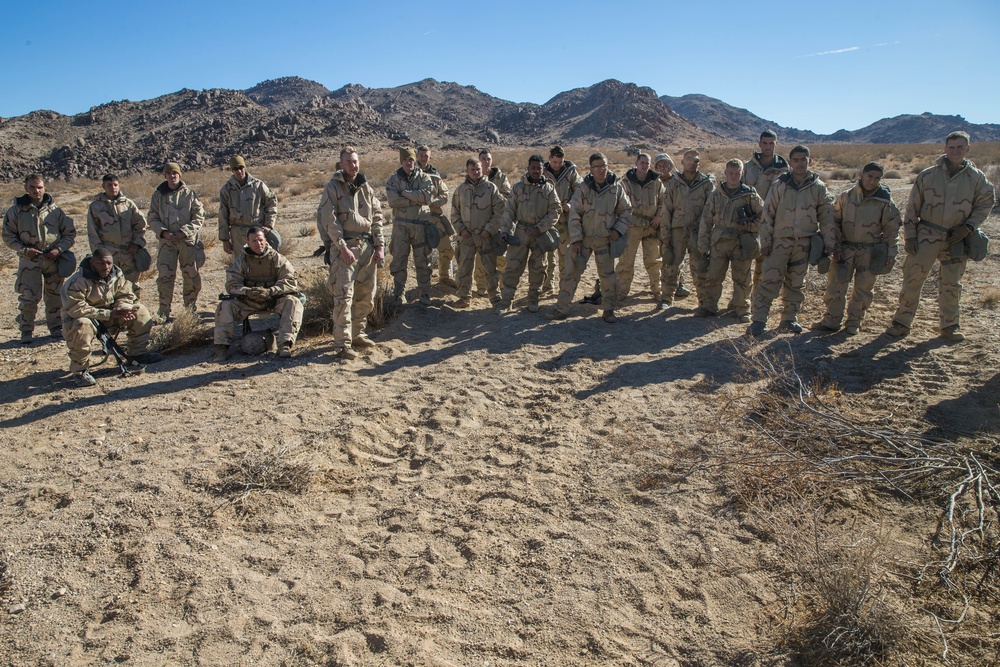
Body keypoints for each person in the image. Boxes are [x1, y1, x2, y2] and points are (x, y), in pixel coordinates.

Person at [886, 131, 996, 341]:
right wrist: (910, 235)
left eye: (960, 147)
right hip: (926, 235)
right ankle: (901, 323)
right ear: (944, 149)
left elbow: (986, 202)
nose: (955, 151)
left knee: (951, 284)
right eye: (951, 147)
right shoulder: (927, 175)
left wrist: (969, 227)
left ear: (968, 149)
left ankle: (950, 326)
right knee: (913, 280)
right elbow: (912, 208)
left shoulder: (976, 178)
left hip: (957, 238)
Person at [748, 145, 835, 336]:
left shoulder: (818, 187)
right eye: (795, 160)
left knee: (796, 283)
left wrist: (829, 243)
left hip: (804, 244)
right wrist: (766, 241)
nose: (799, 163)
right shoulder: (780, 184)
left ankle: (789, 319)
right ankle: (759, 321)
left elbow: (827, 216)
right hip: (779, 242)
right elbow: (767, 213)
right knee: (769, 281)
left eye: (803, 159)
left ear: (809, 161)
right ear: (790, 162)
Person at [812, 162, 902, 335]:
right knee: (836, 284)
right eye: (869, 176)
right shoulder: (846, 197)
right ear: (861, 174)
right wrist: (835, 245)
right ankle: (831, 319)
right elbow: (834, 220)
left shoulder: (885, 201)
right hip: (845, 249)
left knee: (863, 287)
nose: (872, 181)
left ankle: (854, 321)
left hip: (870, 251)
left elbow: (892, 229)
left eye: (877, 178)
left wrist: (891, 252)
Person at [317, 146, 386, 359]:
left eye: (355, 161)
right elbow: (329, 220)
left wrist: (380, 245)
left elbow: (377, 217)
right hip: (346, 248)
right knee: (344, 297)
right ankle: (342, 344)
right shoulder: (333, 188)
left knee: (366, 295)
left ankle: (358, 333)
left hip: (367, 248)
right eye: (348, 162)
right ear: (341, 164)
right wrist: (341, 247)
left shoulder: (366, 188)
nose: (353, 165)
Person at [61, 248, 162, 387]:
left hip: (110, 316)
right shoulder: (76, 282)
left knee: (140, 311)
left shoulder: (116, 274)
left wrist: (122, 307)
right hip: (84, 319)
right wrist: (109, 314)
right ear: (92, 263)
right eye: (101, 263)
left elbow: (125, 294)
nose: (106, 267)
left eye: (108, 263)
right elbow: (76, 309)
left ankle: (137, 353)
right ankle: (80, 371)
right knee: (82, 324)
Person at [551, 152, 630, 322]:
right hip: (583, 239)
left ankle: (609, 309)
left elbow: (626, 211)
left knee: (608, 276)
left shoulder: (616, 188)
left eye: (604, 166)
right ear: (591, 169)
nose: (601, 170)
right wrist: (577, 239)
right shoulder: (583, 188)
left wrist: (619, 230)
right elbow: (574, 214)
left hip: (605, 239)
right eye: (597, 167)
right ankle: (562, 308)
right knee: (571, 272)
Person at [3, 173, 76, 344]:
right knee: (29, 297)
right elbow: (8, 236)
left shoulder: (55, 211)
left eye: (40, 187)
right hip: (29, 261)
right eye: (33, 187)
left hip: (53, 260)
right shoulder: (16, 211)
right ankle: (26, 330)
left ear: (45, 188)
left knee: (55, 295)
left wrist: (59, 249)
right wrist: (24, 249)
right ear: (26, 188)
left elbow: (69, 233)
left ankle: (56, 328)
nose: (37, 191)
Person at [213, 227, 302, 361]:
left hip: (273, 300)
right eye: (254, 240)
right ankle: (221, 348)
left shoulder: (277, 258)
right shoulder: (241, 261)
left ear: (265, 241)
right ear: (247, 242)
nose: (258, 243)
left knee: (293, 302)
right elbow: (231, 284)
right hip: (248, 301)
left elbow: (290, 280)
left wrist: (271, 291)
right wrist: (246, 291)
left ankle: (285, 344)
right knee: (225, 306)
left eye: (260, 240)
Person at [696, 159, 764, 321]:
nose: (733, 176)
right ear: (725, 173)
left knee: (742, 277)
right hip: (719, 241)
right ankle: (709, 307)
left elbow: (764, 216)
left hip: (741, 242)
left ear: (742, 174)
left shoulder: (750, 194)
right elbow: (706, 220)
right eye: (730, 173)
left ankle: (742, 308)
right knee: (713, 276)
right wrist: (703, 244)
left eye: (737, 173)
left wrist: (750, 226)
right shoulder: (716, 194)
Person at [498, 154, 561, 313]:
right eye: (533, 168)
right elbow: (509, 211)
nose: (536, 171)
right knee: (513, 266)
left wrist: (540, 228)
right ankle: (506, 301)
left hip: (540, 234)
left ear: (543, 169)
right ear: (528, 168)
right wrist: (505, 231)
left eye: (539, 168)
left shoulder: (548, 188)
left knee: (538, 267)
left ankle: (533, 299)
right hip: (521, 232)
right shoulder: (518, 187)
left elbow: (555, 211)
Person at [659, 149, 715, 311]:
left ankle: (703, 301)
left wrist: (701, 226)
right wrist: (665, 236)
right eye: (689, 159)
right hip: (677, 230)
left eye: (696, 160)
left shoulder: (706, 183)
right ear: (682, 163)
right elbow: (666, 210)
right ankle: (666, 298)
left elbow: (710, 209)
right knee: (671, 264)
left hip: (699, 232)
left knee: (700, 266)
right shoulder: (673, 184)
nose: (693, 162)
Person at [148, 162, 205, 322]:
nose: (172, 176)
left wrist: (184, 232)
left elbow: (199, 216)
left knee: (191, 276)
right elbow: (152, 217)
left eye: (175, 173)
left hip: (187, 243)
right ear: (165, 175)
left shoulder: (190, 194)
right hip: (167, 243)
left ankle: (189, 310)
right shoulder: (158, 195)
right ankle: (163, 311)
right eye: (169, 173)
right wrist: (163, 232)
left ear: (179, 175)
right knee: (165, 277)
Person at [450, 158, 505, 309]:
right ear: (467, 171)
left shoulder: (490, 188)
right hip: (467, 237)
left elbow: (500, 211)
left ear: (483, 170)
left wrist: (489, 229)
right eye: (472, 169)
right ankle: (464, 297)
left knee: (490, 268)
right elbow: (454, 212)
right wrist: (461, 229)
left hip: (485, 236)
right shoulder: (460, 190)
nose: (476, 172)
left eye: (478, 169)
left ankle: (495, 298)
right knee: (464, 268)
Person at [385, 148, 435, 306]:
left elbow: (427, 197)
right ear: (401, 161)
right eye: (406, 159)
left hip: (419, 226)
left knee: (422, 261)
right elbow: (393, 201)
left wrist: (404, 193)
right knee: (399, 260)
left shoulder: (424, 178)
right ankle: (398, 294)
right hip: (400, 226)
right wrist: (415, 198)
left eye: (411, 159)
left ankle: (425, 294)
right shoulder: (393, 180)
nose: (409, 162)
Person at [743, 131, 790, 291]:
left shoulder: (784, 169)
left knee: (764, 262)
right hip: (750, 220)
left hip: (773, 222)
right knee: (745, 261)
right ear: (759, 144)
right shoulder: (748, 167)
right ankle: (743, 298)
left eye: (771, 143)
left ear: (776, 144)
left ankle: (757, 296)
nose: (768, 146)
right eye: (765, 143)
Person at [616, 152, 666, 303]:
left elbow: (664, 200)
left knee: (654, 260)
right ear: (636, 163)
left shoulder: (656, 181)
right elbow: (619, 202)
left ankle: (657, 290)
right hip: (632, 226)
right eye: (642, 162)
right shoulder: (626, 182)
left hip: (652, 226)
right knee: (626, 260)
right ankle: (621, 290)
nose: (645, 166)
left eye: (647, 163)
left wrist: (658, 215)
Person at [87, 174, 147, 285]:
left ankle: (133, 302)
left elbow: (141, 225)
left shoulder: (128, 204)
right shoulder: (95, 207)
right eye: (109, 185)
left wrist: (137, 243)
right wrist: (99, 254)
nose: (113, 187)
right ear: (103, 186)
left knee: (132, 285)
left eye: (115, 185)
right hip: (109, 254)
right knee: (109, 285)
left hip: (128, 253)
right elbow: (92, 232)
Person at [218, 155, 277, 261]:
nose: (239, 171)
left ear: (245, 167)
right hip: (238, 234)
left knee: (262, 260)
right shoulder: (226, 189)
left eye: (241, 167)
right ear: (232, 170)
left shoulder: (258, 185)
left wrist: (269, 225)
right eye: (236, 169)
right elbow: (223, 215)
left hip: (257, 230)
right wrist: (225, 239)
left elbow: (271, 203)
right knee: (241, 263)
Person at [542, 146, 584, 294]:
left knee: (564, 255)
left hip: (564, 220)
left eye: (560, 162)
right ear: (549, 159)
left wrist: (570, 204)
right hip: (546, 219)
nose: (557, 165)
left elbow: (580, 190)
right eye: (554, 162)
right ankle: (547, 285)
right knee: (547, 255)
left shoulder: (570, 172)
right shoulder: (542, 172)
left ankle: (563, 286)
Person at [473, 148, 513, 295]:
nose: (486, 162)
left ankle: (503, 286)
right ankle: (481, 286)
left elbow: (508, 196)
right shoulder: (475, 178)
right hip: (481, 222)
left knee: (501, 255)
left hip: (498, 222)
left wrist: (494, 197)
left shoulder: (500, 178)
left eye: (488, 159)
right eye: (483, 159)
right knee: (480, 256)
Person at [416, 146, 454, 287]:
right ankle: (423, 283)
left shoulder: (435, 175)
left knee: (447, 249)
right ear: (417, 156)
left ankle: (444, 277)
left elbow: (444, 195)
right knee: (422, 253)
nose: (423, 158)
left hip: (434, 218)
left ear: (430, 157)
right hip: (417, 220)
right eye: (421, 155)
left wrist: (433, 203)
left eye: (426, 156)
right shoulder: (411, 174)